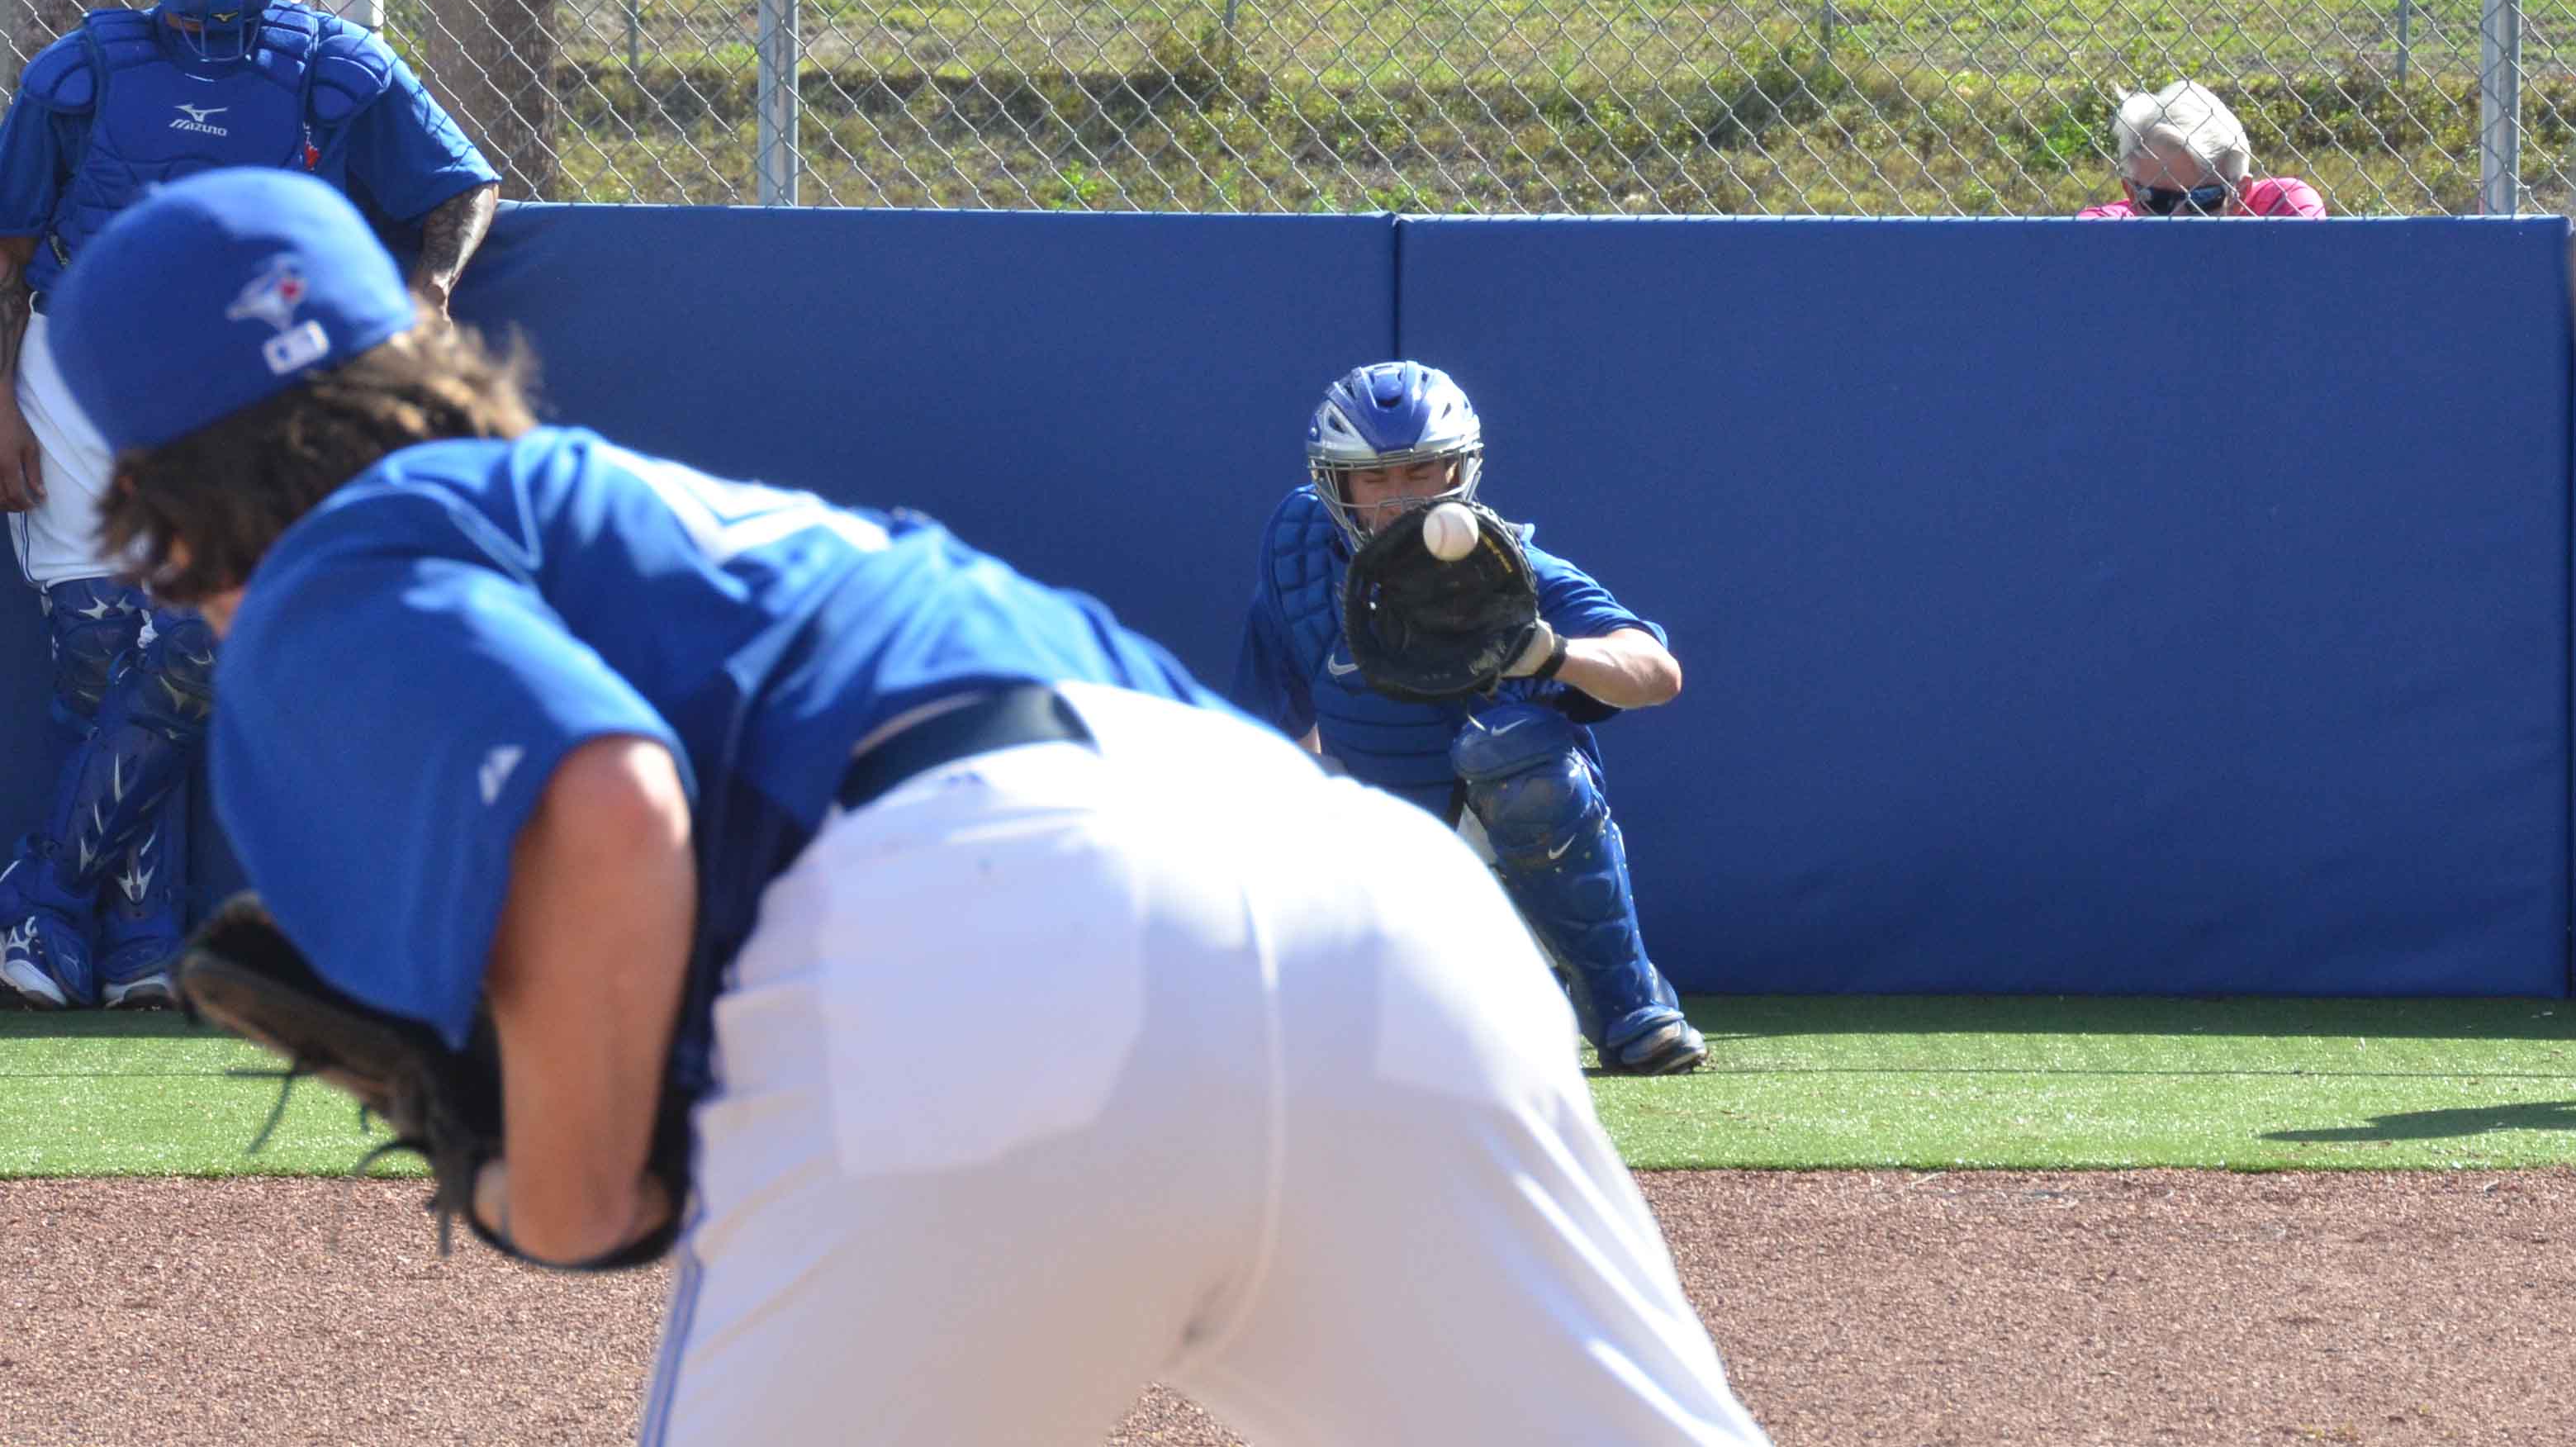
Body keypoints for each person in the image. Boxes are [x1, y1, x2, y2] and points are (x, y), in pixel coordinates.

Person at [51, 169, 1774, 1447]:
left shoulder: (341, 555)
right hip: (1372, 911)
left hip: (979, 954)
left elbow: (604, 800)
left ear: (156, 502)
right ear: (420, 348)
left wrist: (553, 1198)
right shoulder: (647, 512)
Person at [0, 0, 500, 1011]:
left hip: (251, 376)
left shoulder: (338, 66)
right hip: (75, 362)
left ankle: (48, 895)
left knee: (198, 641)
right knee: (92, 651)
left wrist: (430, 288)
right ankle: (136, 945)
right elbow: (9, 253)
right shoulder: (79, 72)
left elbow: (464, 186)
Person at [1232, 361, 1708, 1079]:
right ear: (1334, 482)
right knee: (1255, 781)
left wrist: (1548, 653)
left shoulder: (1509, 570)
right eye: (1374, 477)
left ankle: (1623, 1003)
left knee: (1517, 754)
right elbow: (1267, 726)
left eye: (1420, 471)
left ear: (1460, 470)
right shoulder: (1297, 553)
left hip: (1492, 850)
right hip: (1375, 844)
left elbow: (1656, 673)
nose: (1399, 497)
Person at [2078, 79, 2324, 218]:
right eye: (2158, 200)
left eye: (2202, 199)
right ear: (2132, 194)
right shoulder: (2104, 228)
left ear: (2239, 193)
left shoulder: (2280, 204)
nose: (2179, 218)